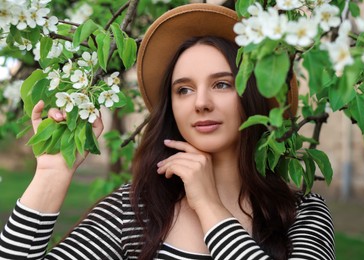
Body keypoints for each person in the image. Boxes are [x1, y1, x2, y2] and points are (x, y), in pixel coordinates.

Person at [0, 3, 335, 260]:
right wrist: (51, 174)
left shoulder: (302, 216)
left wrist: (208, 206)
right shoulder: (136, 211)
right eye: (183, 90)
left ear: (255, 95)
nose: (200, 103)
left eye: (222, 84)